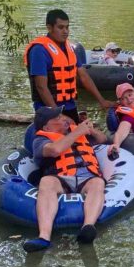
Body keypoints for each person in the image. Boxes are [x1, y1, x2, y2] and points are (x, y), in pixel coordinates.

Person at [23, 106, 109, 253]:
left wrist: (90, 129)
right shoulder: (40, 140)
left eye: (62, 115)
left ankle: (88, 227)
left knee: (98, 182)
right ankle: (44, 237)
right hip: (60, 177)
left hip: (87, 177)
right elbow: (55, 150)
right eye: (57, 118)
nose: (63, 118)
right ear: (46, 127)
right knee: (46, 182)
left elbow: (103, 139)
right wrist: (78, 132)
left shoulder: (77, 131)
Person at [24, 9, 114, 124]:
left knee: (81, 136)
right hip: (47, 109)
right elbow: (41, 87)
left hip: (69, 105)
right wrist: (58, 116)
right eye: (61, 27)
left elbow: (84, 76)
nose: (65, 31)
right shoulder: (39, 50)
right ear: (49, 28)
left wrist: (102, 101)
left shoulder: (70, 48)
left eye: (67, 27)